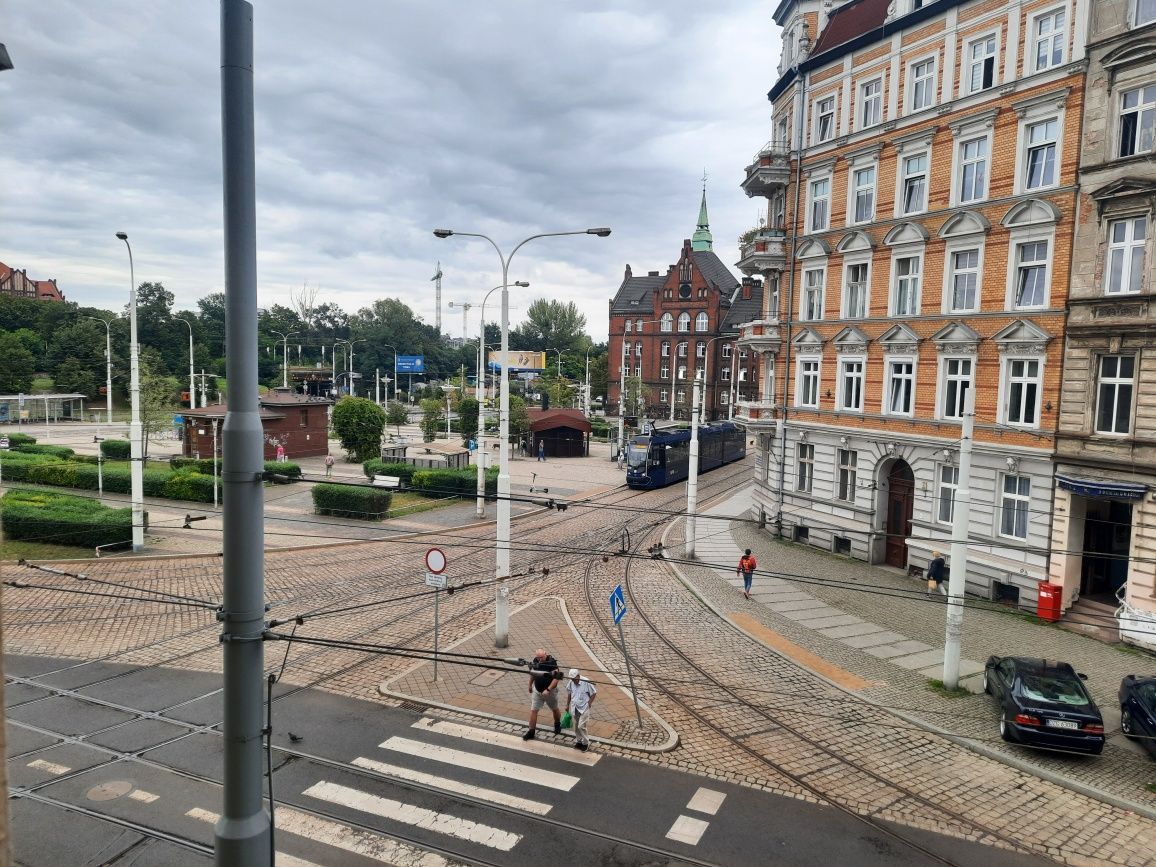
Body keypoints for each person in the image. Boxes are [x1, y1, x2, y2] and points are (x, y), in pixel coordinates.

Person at [523, 648, 562, 740]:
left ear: (545, 654)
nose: (540, 659)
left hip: (550, 692)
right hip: (537, 690)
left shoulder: (552, 663)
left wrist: (548, 690)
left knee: (554, 709)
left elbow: (556, 679)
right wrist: (530, 684)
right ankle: (531, 731)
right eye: (538, 657)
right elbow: (533, 673)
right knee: (534, 710)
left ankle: (557, 724)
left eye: (541, 657)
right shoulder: (536, 661)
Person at [564, 667, 598, 752]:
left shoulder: (586, 682)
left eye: (574, 678)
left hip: (584, 707)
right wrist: (567, 705)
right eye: (572, 679)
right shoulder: (571, 682)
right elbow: (569, 693)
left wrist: (589, 703)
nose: (573, 680)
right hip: (575, 706)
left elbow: (594, 693)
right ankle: (579, 741)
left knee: (581, 726)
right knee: (576, 726)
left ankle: (586, 743)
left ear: (578, 676)